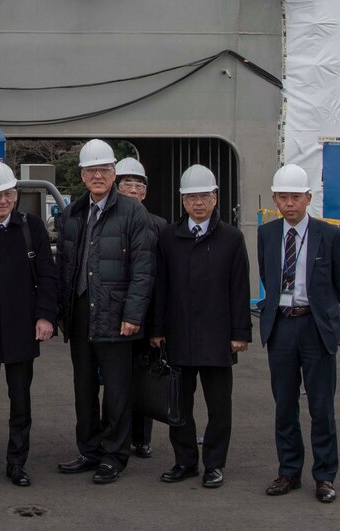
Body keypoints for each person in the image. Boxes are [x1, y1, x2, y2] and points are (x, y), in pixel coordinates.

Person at [56, 139, 155, 485]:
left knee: (116, 390)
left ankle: (114, 455)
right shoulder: (73, 213)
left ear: (114, 173)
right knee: (83, 387)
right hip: (80, 311)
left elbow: (143, 270)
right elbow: (64, 265)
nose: (97, 175)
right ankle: (89, 449)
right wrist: (60, 311)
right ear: (82, 176)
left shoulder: (132, 213)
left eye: (104, 170)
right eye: (91, 170)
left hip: (115, 314)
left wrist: (133, 314)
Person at [149, 164, 251, 490]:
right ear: (182, 201)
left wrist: (240, 333)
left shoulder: (231, 239)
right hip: (179, 336)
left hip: (218, 337)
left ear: (215, 197)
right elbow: (160, 286)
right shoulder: (169, 238)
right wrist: (157, 328)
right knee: (179, 405)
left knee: (219, 406)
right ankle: (185, 461)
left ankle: (215, 464)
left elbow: (239, 289)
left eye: (204, 196)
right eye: (191, 197)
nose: (198, 203)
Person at [259, 163, 340, 504]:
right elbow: (269, 279)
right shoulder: (267, 234)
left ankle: (325, 475)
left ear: (308, 198)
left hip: (315, 327)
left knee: (321, 406)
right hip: (281, 325)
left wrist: (319, 308)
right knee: (284, 404)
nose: (289, 204)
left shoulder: (329, 235)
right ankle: (288, 471)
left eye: (295, 197)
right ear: (274, 198)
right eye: (282, 197)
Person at [0, 162, 58, 488]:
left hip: (21, 329)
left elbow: (47, 275)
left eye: (7, 193)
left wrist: (45, 316)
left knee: (21, 400)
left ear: (15, 195)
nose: (2, 200)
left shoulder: (32, 227)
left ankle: (18, 463)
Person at [114, 157, 167, 459]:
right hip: (113, 317)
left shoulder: (160, 227)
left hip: (145, 318)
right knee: (114, 380)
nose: (133, 191)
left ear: (145, 193)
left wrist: (158, 325)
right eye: (127, 185)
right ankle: (113, 434)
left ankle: (141, 438)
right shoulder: (105, 223)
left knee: (143, 378)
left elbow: (162, 281)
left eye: (138, 186)